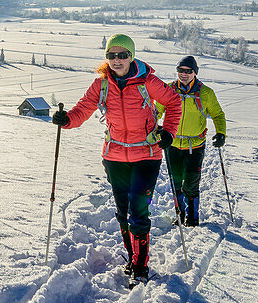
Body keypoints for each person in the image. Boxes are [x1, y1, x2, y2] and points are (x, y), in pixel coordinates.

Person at [52, 34, 182, 287]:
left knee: (139, 211)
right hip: (114, 156)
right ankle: (133, 259)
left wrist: (168, 131)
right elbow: (83, 109)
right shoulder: (100, 85)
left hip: (146, 155)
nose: (117, 60)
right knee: (123, 212)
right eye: (111, 55)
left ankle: (140, 267)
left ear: (132, 56)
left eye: (122, 55)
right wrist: (66, 120)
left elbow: (174, 101)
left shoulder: (148, 82)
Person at [164, 56, 226, 227]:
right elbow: (156, 110)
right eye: (180, 70)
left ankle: (192, 219)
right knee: (175, 182)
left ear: (195, 73)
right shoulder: (168, 89)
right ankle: (179, 215)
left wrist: (221, 133)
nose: (183, 74)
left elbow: (218, 115)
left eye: (188, 71)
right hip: (173, 144)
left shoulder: (205, 93)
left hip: (195, 146)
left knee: (191, 183)